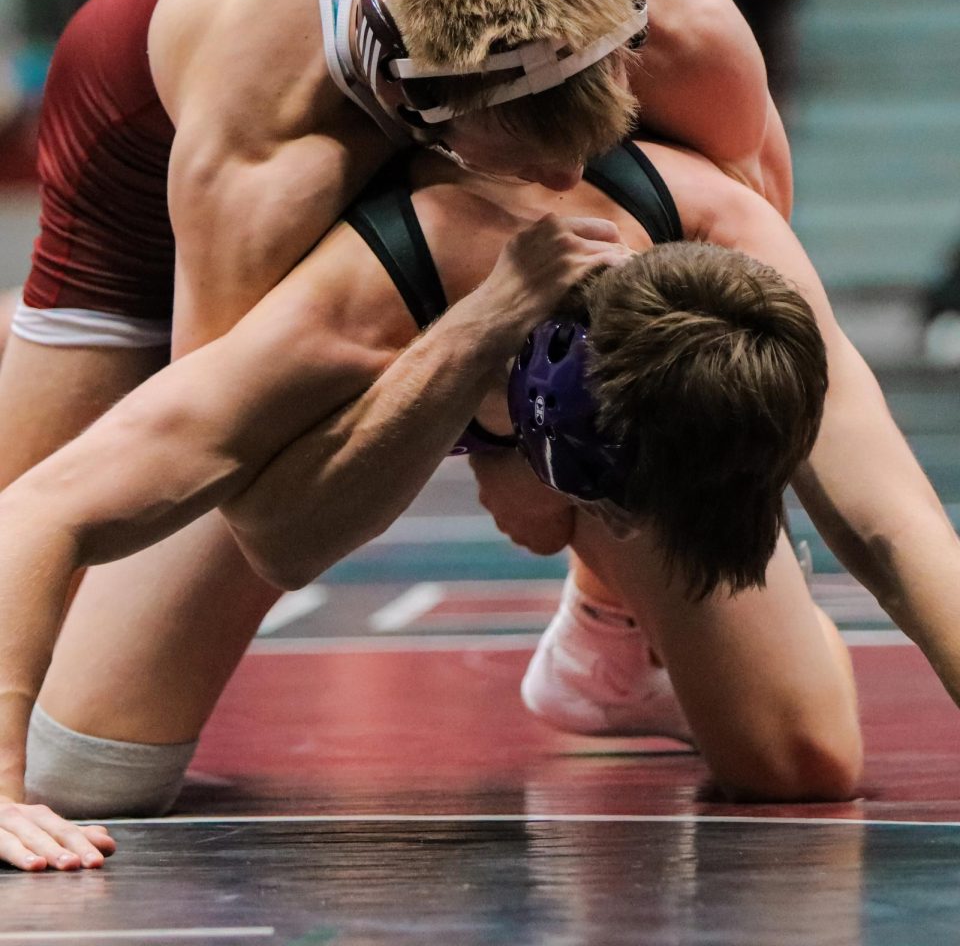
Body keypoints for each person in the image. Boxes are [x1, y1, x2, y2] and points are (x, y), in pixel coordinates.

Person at [5, 132, 958, 871]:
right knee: (86, 774)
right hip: (341, 389)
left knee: (800, 765)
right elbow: (55, 508)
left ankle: (610, 631)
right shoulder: (350, 293)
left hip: (584, 367)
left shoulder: (731, 244)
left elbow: (893, 524)